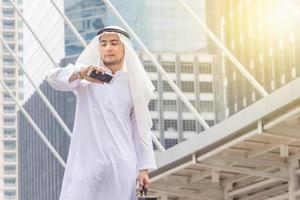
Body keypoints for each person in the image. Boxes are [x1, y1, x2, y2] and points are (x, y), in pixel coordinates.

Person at [47, 26, 157, 200]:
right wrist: (80, 73)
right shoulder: (86, 77)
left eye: (114, 43)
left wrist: (143, 169)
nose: (108, 48)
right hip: (86, 165)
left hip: (121, 167)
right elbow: (53, 78)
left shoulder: (133, 85)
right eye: (103, 44)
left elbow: (141, 129)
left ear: (125, 48)